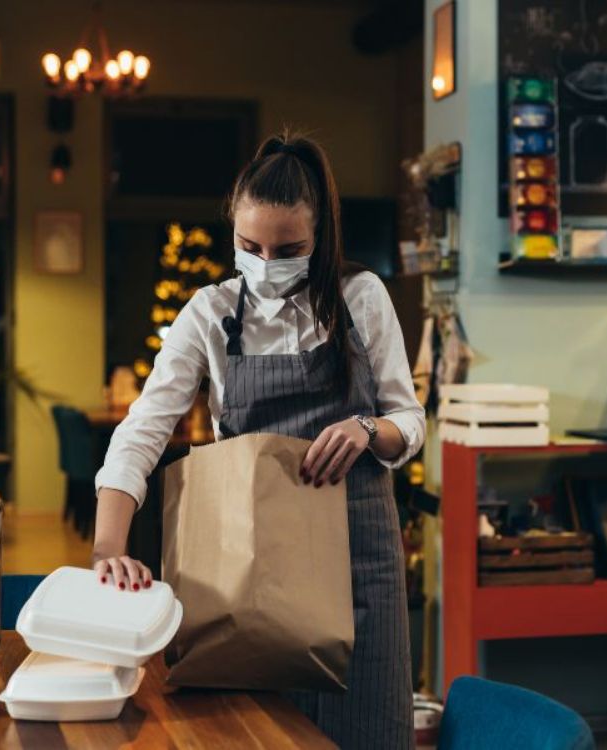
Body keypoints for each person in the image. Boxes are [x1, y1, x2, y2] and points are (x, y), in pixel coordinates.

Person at [92, 132, 425, 748]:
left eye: (289, 248)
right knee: (254, 734)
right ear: (233, 233)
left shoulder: (361, 297)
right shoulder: (207, 314)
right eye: (251, 246)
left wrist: (366, 427)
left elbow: (409, 421)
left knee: (368, 734)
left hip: (357, 565)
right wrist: (108, 543)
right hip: (249, 566)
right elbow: (142, 431)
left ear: (319, 236)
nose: (268, 263)